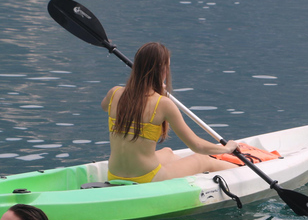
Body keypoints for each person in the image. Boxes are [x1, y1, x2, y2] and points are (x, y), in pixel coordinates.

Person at [101, 42, 240, 184]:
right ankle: (242, 173)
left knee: (168, 152)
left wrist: (154, 90)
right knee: (202, 159)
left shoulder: (114, 92)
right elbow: (196, 146)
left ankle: (186, 171)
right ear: (162, 71)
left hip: (114, 175)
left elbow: (105, 107)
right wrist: (227, 148)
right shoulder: (163, 103)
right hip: (146, 178)